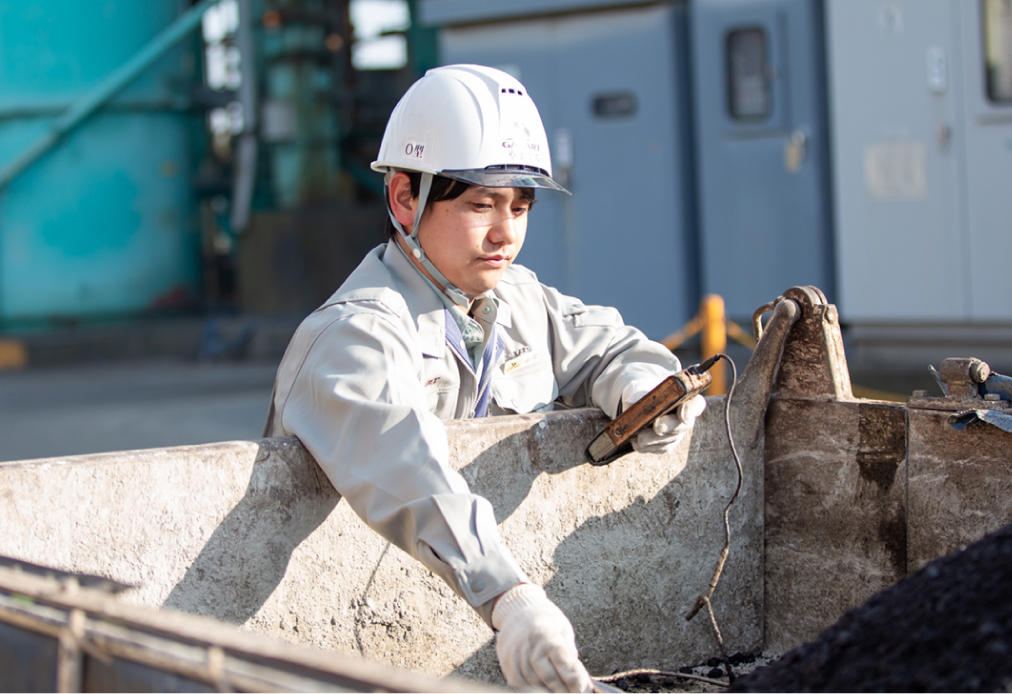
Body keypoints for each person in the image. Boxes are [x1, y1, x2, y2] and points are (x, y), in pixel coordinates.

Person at [264, 64, 706, 693]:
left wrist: (647, 393)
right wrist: (514, 600)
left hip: (456, 631)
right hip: (341, 654)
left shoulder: (516, 301)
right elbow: (407, 468)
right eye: (481, 205)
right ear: (403, 198)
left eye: (520, 208)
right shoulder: (354, 334)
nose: (507, 235)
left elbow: (609, 348)